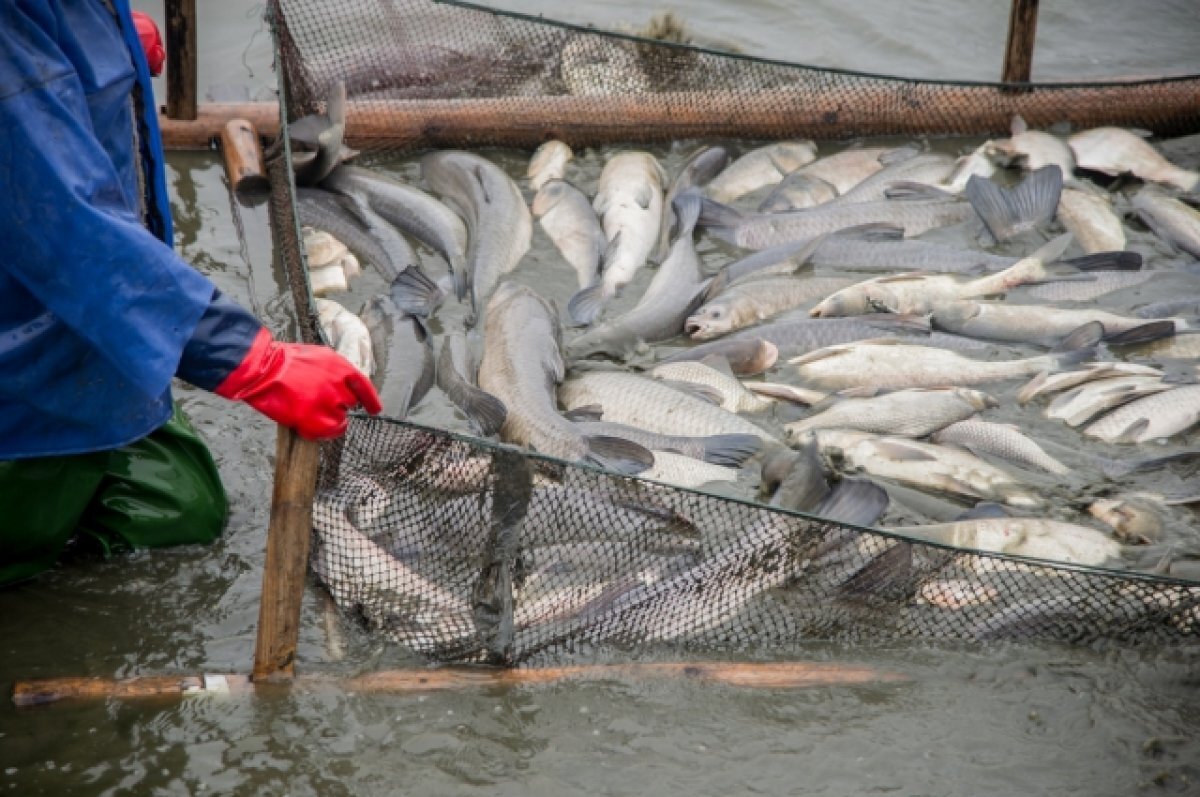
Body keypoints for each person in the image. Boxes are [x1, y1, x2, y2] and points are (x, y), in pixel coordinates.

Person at [0, 0, 382, 586]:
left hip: (85, 343)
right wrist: (253, 362)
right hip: (19, 382)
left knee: (183, 512)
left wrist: (105, 33)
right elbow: (70, 228)